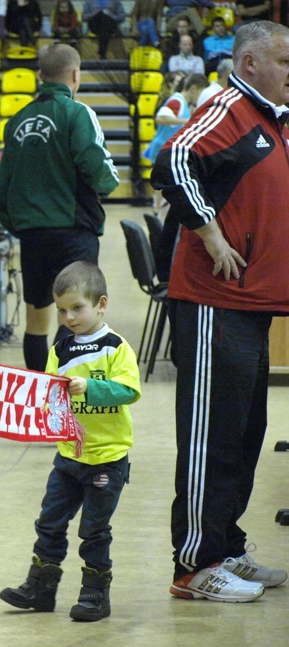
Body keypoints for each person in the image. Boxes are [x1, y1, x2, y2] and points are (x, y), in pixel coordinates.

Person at [152, 19, 289, 603]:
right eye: (285, 60)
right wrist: (209, 234)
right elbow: (173, 160)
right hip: (215, 303)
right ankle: (194, 565)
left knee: (244, 432)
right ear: (251, 62)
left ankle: (226, 546)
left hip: (254, 304)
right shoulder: (230, 107)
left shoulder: (273, 123)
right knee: (211, 435)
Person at [0, 261, 140, 622]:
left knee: (93, 529)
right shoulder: (60, 349)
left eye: (77, 308)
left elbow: (128, 391)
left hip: (107, 458)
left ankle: (95, 593)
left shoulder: (115, 348)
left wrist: (91, 387)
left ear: (101, 304)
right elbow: (48, 390)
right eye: (62, 310)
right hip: (68, 456)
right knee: (49, 521)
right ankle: (41, 587)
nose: (69, 317)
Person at [0, 43, 118, 372]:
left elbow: (2, 186)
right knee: (74, 316)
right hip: (74, 232)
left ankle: (37, 394)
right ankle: (62, 397)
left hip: (33, 234)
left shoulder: (17, 119)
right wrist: (107, 186)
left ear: (39, 76)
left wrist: (18, 224)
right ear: (76, 75)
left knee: (37, 317)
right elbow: (99, 167)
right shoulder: (78, 113)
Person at [144, 73, 209, 165]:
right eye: (201, 93)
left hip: (168, 152)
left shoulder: (184, 104)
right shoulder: (177, 101)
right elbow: (160, 118)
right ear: (193, 89)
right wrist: (187, 121)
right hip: (163, 152)